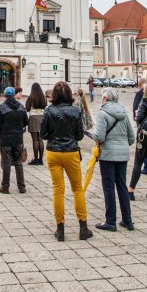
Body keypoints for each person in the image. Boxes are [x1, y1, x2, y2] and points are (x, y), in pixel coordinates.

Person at [41, 81, 91, 241]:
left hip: (53, 153)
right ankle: (83, 228)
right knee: (77, 189)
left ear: (54, 95)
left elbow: (43, 134)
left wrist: (54, 135)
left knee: (58, 190)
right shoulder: (75, 111)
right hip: (71, 152)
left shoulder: (49, 111)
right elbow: (79, 136)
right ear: (69, 94)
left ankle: (60, 229)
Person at [91, 88, 136, 231]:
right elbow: (131, 137)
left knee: (109, 187)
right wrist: (122, 146)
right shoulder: (124, 113)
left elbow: (99, 137)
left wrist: (93, 135)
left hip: (108, 155)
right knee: (122, 186)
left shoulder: (102, 113)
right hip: (123, 155)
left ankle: (110, 221)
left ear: (105, 99)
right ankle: (127, 220)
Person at [0, 87, 28, 194]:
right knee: (18, 162)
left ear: (5, 95)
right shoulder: (21, 107)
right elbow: (26, 122)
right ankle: (21, 187)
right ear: (13, 94)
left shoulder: (2, 107)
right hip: (18, 138)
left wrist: (1, 132)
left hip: (5, 139)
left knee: (7, 162)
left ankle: (5, 187)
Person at [132, 77, 147, 175]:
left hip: (143, 124)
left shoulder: (140, 93)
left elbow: (135, 107)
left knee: (143, 145)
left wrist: (135, 118)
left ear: (141, 84)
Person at [25, 82, 47, 165]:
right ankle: (41, 160)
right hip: (42, 117)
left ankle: (36, 160)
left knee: (35, 140)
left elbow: (27, 108)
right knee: (41, 139)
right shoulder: (43, 97)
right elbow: (45, 107)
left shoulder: (31, 97)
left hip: (33, 117)